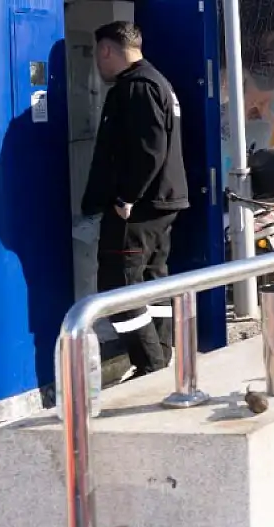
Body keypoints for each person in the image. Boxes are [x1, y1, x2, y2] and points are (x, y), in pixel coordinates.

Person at [81, 21, 190, 379]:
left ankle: (150, 365)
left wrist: (126, 197)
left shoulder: (136, 88)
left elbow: (149, 151)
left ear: (109, 50)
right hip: (161, 203)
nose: (98, 64)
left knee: (120, 286)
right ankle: (162, 357)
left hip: (139, 209)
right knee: (153, 281)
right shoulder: (158, 82)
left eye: (99, 55)